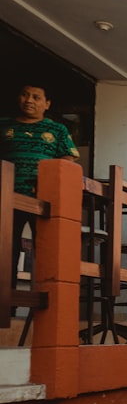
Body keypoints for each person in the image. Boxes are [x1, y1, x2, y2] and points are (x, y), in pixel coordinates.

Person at [1, 83, 79, 281]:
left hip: (43, 197)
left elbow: (68, 159)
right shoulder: (4, 125)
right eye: (24, 95)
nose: (28, 100)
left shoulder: (57, 129)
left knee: (44, 248)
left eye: (36, 97)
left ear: (47, 104)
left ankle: (42, 301)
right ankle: (7, 305)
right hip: (6, 196)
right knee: (6, 248)